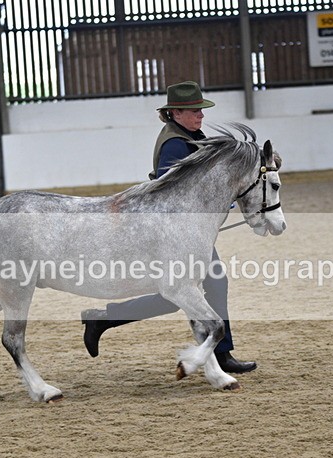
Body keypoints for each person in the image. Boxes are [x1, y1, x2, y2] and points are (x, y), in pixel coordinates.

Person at [80, 81, 256, 374]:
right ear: (175, 112)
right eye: (194, 110)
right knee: (204, 286)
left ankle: (104, 319)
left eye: (201, 109)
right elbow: (172, 190)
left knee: (179, 294)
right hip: (174, 235)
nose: (200, 115)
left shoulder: (191, 135)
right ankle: (221, 355)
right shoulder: (175, 143)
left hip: (184, 232)